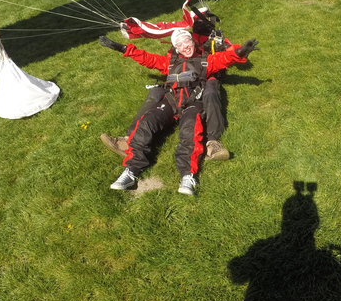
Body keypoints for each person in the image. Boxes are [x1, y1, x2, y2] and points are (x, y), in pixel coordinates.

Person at [99, 29, 259, 195]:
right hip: (171, 101)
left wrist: (239, 52)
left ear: (193, 42)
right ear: (176, 47)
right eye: (180, 44)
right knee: (146, 122)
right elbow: (147, 58)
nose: (185, 46)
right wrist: (122, 48)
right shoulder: (169, 62)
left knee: (190, 129)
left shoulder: (205, 61)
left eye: (187, 42)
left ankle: (187, 175)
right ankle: (131, 170)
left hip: (193, 102)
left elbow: (224, 58)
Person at [100, 9, 232, 161]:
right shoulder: (181, 44)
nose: (202, 23)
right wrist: (124, 49)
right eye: (199, 21)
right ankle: (128, 139)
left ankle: (213, 143)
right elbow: (152, 60)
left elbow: (229, 54)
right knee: (156, 92)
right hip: (180, 83)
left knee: (211, 90)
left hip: (204, 77)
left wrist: (238, 51)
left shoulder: (214, 38)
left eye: (205, 20)